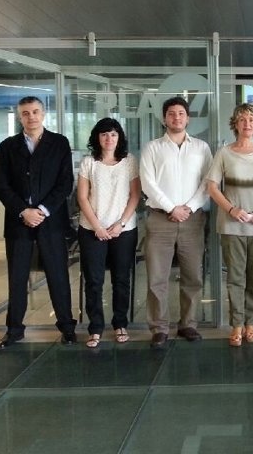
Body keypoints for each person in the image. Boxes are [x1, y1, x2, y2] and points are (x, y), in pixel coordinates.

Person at [0, 96, 78, 347]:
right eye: (25, 113)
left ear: (43, 114)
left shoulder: (59, 143)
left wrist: (41, 210)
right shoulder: (8, 146)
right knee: (17, 278)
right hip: (18, 221)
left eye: (35, 112)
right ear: (19, 117)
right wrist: (24, 211)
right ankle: (14, 330)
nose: (31, 117)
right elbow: (2, 185)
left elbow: (65, 183)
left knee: (57, 275)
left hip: (51, 221)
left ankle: (67, 327)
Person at [140, 96, 212, 347]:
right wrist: (172, 208)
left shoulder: (201, 148)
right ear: (164, 118)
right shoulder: (152, 148)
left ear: (188, 118)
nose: (176, 117)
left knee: (193, 276)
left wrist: (188, 208)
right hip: (160, 219)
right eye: (171, 113)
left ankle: (188, 324)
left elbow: (208, 183)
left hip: (193, 219)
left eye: (181, 113)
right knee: (157, 277)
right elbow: (148, 183)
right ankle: (159, 327)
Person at [206, 103, 253, 347]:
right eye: (243, 119)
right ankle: (237, 324)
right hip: (231, 224)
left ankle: (251, 322)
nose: (247, 124)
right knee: (235, 277)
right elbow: (212, 187)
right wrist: (231, 209)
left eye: (252, 120)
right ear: (235, 124)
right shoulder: (224, 153)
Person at [76, 118, 141, 348]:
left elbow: (135, 195)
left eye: (113, 134)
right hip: (92, 229)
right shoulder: (89, 162)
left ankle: (120, 323)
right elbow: (82, 197)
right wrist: (97, 227)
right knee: (94, 280)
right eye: (104, 134)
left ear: (119, 137)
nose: (109, 138)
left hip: (123, 229)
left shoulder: (129, 161)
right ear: (97, 137)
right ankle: (95, 327)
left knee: (121, 279)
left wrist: (120, 224)